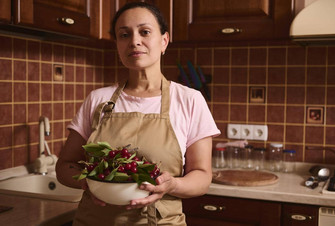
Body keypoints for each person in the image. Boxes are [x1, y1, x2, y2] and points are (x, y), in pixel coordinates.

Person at [56, 2, 220, 225]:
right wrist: (87, 183)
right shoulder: (97, 100)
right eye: (124, 35)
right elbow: (65, 165)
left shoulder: (189, 100)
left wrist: (173, 185)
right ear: (117, 45)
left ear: (164, 41)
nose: (134, 41)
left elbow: (202, 176)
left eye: (145, 32)